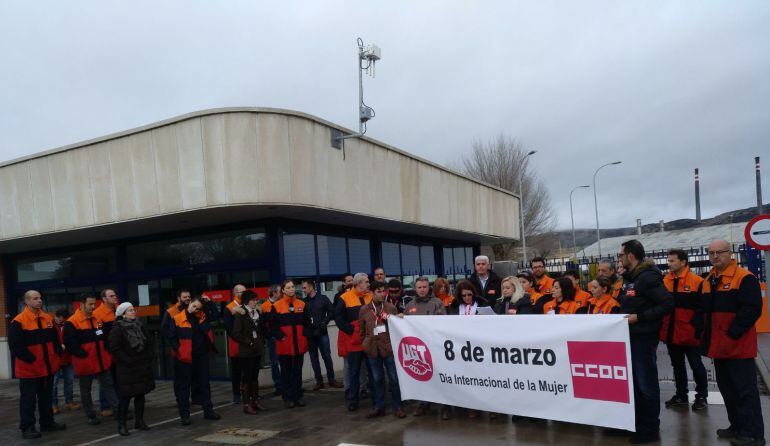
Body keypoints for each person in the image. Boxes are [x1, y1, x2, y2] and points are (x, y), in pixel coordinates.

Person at [694, 239, 764, 446]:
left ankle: (753, 435)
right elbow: (702, 309)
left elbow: (752, 309)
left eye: (719, 252)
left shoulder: (744, 278)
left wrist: (732, 333)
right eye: (711, 253)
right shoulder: (709, 280)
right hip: (719, 346)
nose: (715, 256)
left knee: (745, 392)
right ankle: (737, 426)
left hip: (738, 346)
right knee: (728, 390)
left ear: (729, 253)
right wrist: (699, 329)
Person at [617, 239, 673, 444]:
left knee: (646, 383)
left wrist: (640, 318)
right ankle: (639, 423)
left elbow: (667, 303)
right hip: (630, 337)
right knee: (635, 384)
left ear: (631, 255)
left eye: (621, 255)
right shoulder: (631, 278)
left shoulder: (648, 277)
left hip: (643, 337)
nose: (620, 259)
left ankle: (649, 427)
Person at [9, 290, 66, 439]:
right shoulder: (18, 321)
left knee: (46, 398)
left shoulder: (47, 318)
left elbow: (55, 340)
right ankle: (27, 427)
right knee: (28, 399)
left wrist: (58, 353)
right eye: (35, 298)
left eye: (40, 298)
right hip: (29, 370)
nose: (39, 301)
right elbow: (16, 347)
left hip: (47, 368)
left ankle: (47, 423)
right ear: (26, 302)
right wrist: (32, 360)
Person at [659, 249, 708, 411]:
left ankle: (701, 396)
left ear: (683, 262)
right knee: (677, 366)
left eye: (673, 260)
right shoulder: (665, 281)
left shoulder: (697, 281)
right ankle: (681, 394)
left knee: (696, 365)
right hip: (671, 333)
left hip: (690, 332)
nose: (669, 263)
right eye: (669, 260)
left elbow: (702, 309)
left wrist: (696, 327)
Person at [63, 292, 119, 426]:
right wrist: (82, 354)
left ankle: (117, 410)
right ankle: (91, 415)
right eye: (90, 304)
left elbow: (104, 337)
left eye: (94, 304)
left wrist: (106, 350)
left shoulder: (97, 319)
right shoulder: (72, 322)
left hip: (101, 360)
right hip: (85, 362)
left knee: (108, 385)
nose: (93, 306)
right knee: (86, 390)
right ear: (82, 304)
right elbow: (70, 344)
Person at [169, 294, 221, 425]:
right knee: (184, 387)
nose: (194, 309)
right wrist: (180, 351)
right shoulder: (177, 318)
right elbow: (171, 338)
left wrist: (210, 303)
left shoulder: (202, 317)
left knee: (204, 384)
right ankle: (184, 415)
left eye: (197, 308)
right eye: (193, 306)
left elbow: (216, 316)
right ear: (189, 303)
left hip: (201, 356)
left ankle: (208, 411)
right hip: (184, 358)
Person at [359, 281, 405, 418]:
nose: (382, 294)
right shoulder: (364, 310)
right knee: (377, 378)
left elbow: (397, 328)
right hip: (372, 349)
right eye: (378, 291)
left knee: (394, 378)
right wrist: (366, 343)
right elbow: (362, 331)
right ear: (371, 293)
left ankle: (398, 407)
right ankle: (379, 407)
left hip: (388, 348)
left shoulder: (390, 308)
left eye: (383, 291)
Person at [108, 302, 154, 436]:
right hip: (127, 368)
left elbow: (148, 341)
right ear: (122, 315)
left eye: (133, 310)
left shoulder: (140, 325)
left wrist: (149, 355)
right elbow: (114, 349)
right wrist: (128, 360)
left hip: (142, 366)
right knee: (125, 397)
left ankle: (139, 421)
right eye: (130, 310)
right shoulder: (118, 328)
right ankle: (121, 425)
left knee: (141, 395)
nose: (133, 312)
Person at [447, 279, 489, 419]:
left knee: (482, 378)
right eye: (463, 295)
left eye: (469, 294)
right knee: (466, 378)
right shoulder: (454, 306)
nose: (467, 298)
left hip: (480, 347)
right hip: (461, 347)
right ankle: (470, 406)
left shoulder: (483, 304)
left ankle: (489, 406)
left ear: (473, 293)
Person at [407, 277, 447, 417]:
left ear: (429, 288)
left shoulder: (437, 303)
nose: (422, 289)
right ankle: (424, 403)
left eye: (424, 287)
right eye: (419, 287)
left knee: (439, 377)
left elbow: (442, 323)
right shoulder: (410, 305)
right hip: (418, 349)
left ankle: (444, 406)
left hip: (435, 346)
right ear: (415, 289)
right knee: (422, 376)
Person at [335, 273, 373, 411]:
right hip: (354, 342)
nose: (369, 284)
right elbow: (338, 317)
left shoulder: (370, 296)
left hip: (369, 341)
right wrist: (350, 330)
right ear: (358, 284)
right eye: (366, 282)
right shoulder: (344, 298)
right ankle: (353, 400)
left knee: (371, 370)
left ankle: (375, 398)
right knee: (354, 372)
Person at [269, 279, 309, 409]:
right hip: (284, 345)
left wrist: (304, 336)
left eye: (293, 287)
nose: (292, 289)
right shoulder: (276, 306)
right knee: (285, 372)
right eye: (289, 287)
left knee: (297, 372)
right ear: (283, 290)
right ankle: (287, 398)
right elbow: (272, 326)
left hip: (299, 345)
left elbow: (307, 323)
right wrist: (282, 337)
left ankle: (298, 396)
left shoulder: (302, 304)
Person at [232, 290, 267, 414]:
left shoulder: (257, 312)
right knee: (246, 377)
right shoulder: (240, 313)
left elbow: (261, 329)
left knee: (255, 376)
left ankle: (255, 401)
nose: (256, 302)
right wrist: (249, 342)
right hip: (246, 351)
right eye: (254, 300)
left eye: (256, 299)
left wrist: (261, 340)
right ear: (247, 301)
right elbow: (236, 333)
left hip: (257, 350)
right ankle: (246, 404)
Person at [302, 279, 342, 391]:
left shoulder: (323, 299)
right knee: (314, 358)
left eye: (305, 287)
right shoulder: (303, 302)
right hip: (310, 334)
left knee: (327, 356)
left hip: (322, 332)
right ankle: (319, 381)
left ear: (311, 287)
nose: (303, 290)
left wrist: (325, 322)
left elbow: (332, 311)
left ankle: (331, 379)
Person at [161, 289, 198, 404]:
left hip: (192, 349)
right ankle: (180, 399)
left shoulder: (193, 310)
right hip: (179, 351)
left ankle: (195, 398)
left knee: (193, 376)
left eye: (189, 297)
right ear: (178, 298)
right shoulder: (171, 312)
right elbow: (165, 330)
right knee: (180, 378)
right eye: (184, 297)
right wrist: (177, 347)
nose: (187, 299)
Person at [94, 289, 120, 418]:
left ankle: (117, 404)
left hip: (119, 351)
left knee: (117, 378)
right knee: (107, 380)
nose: (114, 297)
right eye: (111, 296)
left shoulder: (118, 310)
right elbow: (99, 334)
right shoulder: (98, 313)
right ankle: (105, 406)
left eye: (115, 295)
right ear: (104, 299)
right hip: (107, 352)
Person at [223, 283, 247, 405]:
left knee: (248, 370)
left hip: (248, 343)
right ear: (235, 293)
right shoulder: (229, 308)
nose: (243, 294)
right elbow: (228, 327)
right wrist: (239, 338)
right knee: (236, 371)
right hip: (236, 344)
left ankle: (248, 393)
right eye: (241, 292)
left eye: (244, 291)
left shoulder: (247, 305)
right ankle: (236, 394)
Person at [52, 308, 79, 415]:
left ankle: (69, 402)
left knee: (69, 381)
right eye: (58, 318)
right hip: (55, 358)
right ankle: (53, 405)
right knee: (54, 384)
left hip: (67, 358)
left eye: (62, 319)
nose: (60, 320)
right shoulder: (50, 326)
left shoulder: (68, 325)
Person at [261, 284, 284, 397]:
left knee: (285, 361)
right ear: (274, 293)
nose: (282, 293)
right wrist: (269, 336)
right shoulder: (264, 306)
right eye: (280, 291)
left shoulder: (282, 303)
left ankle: (287, 384)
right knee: (275, 362)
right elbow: (263, 324)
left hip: (283, 337)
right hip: (273, 338)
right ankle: (279, 386)